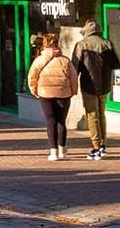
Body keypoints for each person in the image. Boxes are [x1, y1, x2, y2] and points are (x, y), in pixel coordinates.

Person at [72, 19, 120, 161]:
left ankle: (96, 147)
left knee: (92, 115)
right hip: (104, 84)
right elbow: (116, 64)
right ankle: (103, 145)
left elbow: (75, 67)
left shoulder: (81, 45)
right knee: (101, 114)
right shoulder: (107, 43)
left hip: (88, 85)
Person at [27, 33, 79, 161]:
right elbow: (74, 79)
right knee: (61, 122)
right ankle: (62, 150)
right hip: (63, 94)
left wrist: (35, 91)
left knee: (51, 122)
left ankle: (53, 152)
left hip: (45, 94)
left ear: (44, 44)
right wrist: (73, 92)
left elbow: (32, 77)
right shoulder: (65, 60)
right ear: (57, 44)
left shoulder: (39, 60)